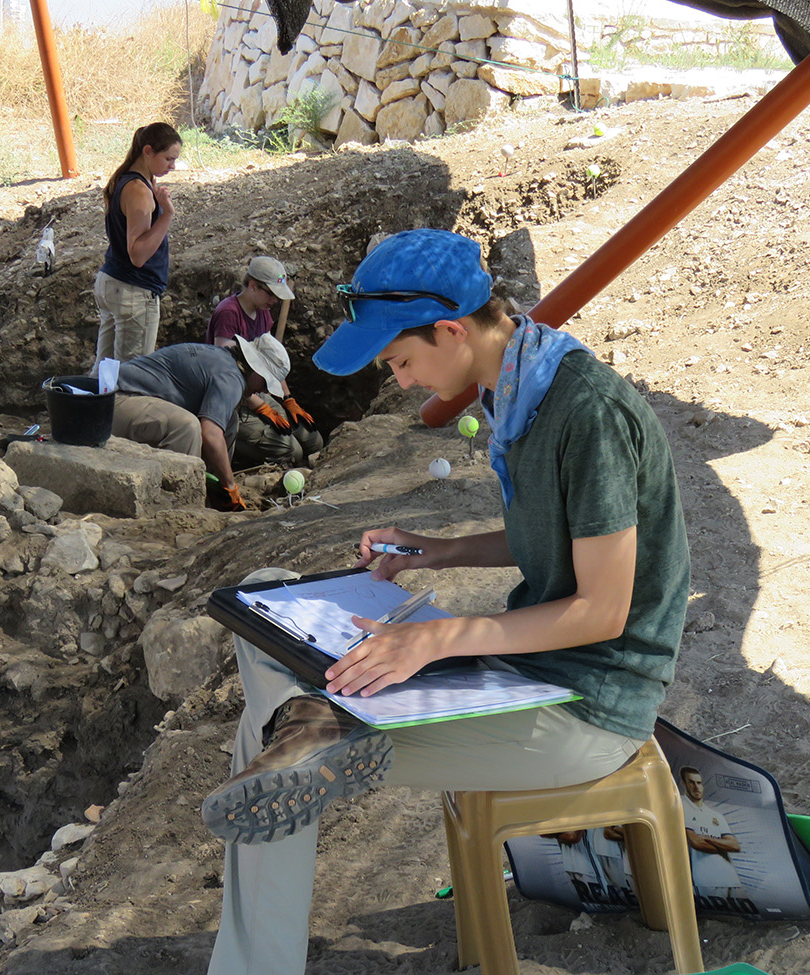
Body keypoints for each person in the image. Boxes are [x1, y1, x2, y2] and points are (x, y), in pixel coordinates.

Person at [200, 228, 691, 975]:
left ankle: (313, 746)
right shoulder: (518, 384)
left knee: (261, 739)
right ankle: (317, 725)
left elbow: (603, 611)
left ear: (453, 330)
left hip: (587, 705)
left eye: (400, 360)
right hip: (530, 673)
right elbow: (552, 536)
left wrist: (436, 639)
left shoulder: (584, 414)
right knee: (265, 599)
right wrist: (443, 550)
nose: (399, 383)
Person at [111, 334, 294, 512]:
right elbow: (210, 434)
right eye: (265, 382)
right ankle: (181, 506)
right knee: (186, 427)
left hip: (133, 399)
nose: (263, 390)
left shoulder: (225, 360)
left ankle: (213, 492)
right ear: (255, 368)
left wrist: (223, 483)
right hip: (117, 400)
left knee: (229, 420)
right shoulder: (231, 378)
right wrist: (231, 485)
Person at [205, 255, 324, 467]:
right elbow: (226, 376)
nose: (275, 301)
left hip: (256, 391)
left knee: (313, 439)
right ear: (252, 285)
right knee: (290, 450)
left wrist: (288, 399)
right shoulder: (228, 314)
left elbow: (272, 363)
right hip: (233, 401)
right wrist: (261, 408)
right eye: (271, 294)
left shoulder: (263, 313)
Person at [92, 122, 182, 372]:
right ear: (148, 151)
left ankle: (88, 411)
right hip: (133, 290)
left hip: (113, 283)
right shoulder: (139, 191)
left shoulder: (127, 180)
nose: (172, 166)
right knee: (131, 377)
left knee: (105, 372)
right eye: (168, 159)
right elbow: (138, 254)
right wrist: (167, 215)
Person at [679, 765, 746, 900]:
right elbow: (696, 843)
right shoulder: (680, 806)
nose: (696, 787)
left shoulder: (715, 815)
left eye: (699, 783)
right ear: (684, 784)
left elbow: (734, 846)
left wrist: (708, 839)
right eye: (691, 782)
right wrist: (722, 845)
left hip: (731, 877)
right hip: (705, 880)